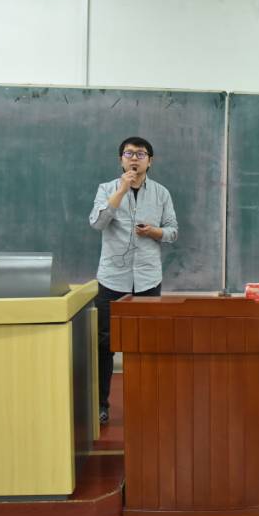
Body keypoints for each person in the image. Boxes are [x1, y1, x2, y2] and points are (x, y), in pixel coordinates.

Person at [89, 136, 178, 424]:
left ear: (150, 161)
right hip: (112, 280)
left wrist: (154, 232)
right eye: (129, 154)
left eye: (141, 154)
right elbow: (97, 223)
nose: (134, 158)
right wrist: (121, 190)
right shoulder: (107, 189)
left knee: (147, 344)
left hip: (147, 280)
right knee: (105, 344)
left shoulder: (161, 193)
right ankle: (101, 405)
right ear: (121, 160)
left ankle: (147, 404)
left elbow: (173, 232)